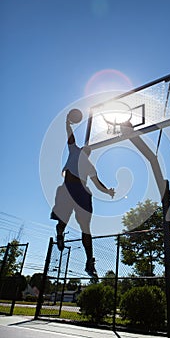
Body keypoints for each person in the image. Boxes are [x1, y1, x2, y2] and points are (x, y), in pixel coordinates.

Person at [50, 112, 115, 278]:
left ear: (90, 152)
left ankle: (89, 262)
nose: (88, 149)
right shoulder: (74, 150)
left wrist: (108, 191)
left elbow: (98, 183)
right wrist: (67, 123)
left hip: (82, 191)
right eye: (86, 147)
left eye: (90, 149)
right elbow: (70, 136)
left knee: (86, 228)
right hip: (68, 187)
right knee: (62, 220)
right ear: (83, 148)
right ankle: (60, 233)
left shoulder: (90, 166)